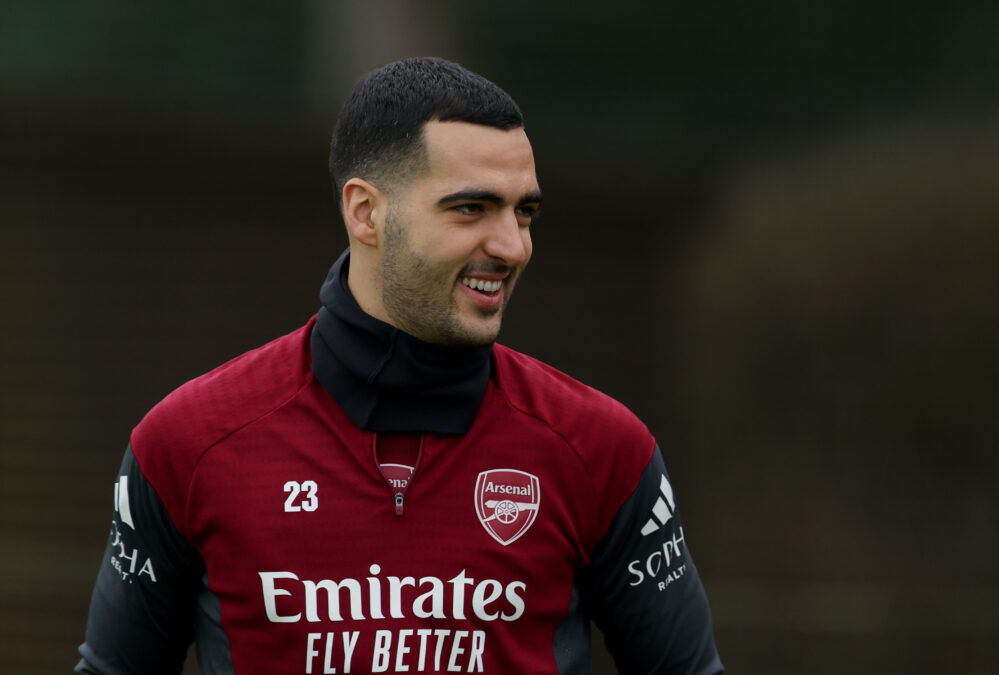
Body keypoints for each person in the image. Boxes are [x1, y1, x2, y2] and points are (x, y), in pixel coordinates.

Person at [76, 57, 723, 675]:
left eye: (523, 210)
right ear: (365, 212)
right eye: (472, 207)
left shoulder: (602, 449)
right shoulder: (187, 443)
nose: (511, 245)